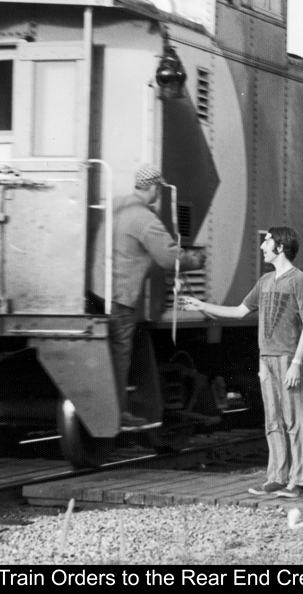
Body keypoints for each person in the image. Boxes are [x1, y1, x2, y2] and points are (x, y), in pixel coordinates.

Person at [180, 227, 303, 499]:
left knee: (294, 421)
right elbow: (239, 311)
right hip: (266, 359)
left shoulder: (298, 280)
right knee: (273, 421)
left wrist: (296, 362)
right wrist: (200, 304)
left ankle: (299, 481)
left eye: (266, 242)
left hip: (288, 358)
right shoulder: (265, 281)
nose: (262, 247)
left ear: (280, 247)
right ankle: (277, 478)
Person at [89, 164, 205, 431]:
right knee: (120, 353)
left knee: (106, 353)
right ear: (153, 188)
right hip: (120, 297)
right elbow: (168, 258)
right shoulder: (145, 219)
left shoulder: (116, 205)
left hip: (97, 290)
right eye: (159, 189)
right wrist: (195, 260)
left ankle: (107, 408)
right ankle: (117, 413)